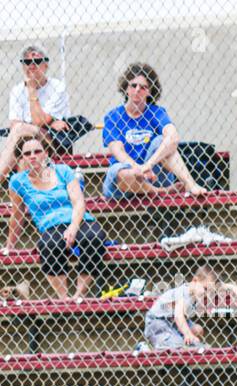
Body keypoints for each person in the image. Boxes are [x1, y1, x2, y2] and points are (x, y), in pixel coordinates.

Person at [3, 134, 109, 298]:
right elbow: (17, 216)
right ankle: (64, 298)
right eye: (27, 153)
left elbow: (79, 202)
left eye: (37, 151)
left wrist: (73, 227)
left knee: (93, 237)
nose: (33, 156)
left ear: (46, 153)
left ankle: (80, 294)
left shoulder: (63, 170)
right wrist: (10, 245)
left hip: (78, 220)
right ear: (21, 158)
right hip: (50, 226)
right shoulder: (17, 182)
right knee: (50, 245)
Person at [102, 63, 208, 199]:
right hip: (122, 185)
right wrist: (138, 169)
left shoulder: (156, 113)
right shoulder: (113, 116)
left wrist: (148, 165)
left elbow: (173, 138)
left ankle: (190, 184)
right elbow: (117, 151)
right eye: (133, 85)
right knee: (120, 171)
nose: (137, 90)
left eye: (143, 87)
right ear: (126, 88)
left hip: (151, 174)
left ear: (149, 91)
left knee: (162, 141)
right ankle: (160, 192)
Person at [0, 45, 93, 182]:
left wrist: (32, 89)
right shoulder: (17, 90)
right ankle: (25, 202)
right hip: (25, 142)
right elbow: (15, 124)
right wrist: (49, 122)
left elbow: (39, 121)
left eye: (36, 61)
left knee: (21, 130)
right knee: (22, 161)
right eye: (27, 62)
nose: (31, 65)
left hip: (51, 140)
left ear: (45, 65)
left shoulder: (57, 87)